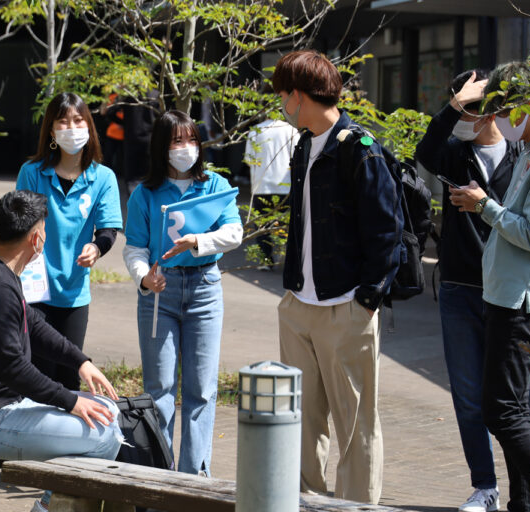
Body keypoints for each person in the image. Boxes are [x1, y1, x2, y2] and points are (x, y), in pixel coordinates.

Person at [272, 50, 403, 504]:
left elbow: (387, 230)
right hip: (299, 306)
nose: (282, 104)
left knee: (355, 426)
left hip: (345, 307)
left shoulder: (359, 149)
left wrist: (366, 299)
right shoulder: (305, 144)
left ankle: (355, 506)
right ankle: (306, 502)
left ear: (300, 95)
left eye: (284, 95)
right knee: (300, 423)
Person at [0, 190, 121, 512]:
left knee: (111, 413)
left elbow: (33, 326)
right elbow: (12, 367)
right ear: (37, 239)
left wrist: (80, 362)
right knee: (105, 435)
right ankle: (48, 508)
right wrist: (70, 400)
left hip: (3, 409)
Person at [415, 69, 518, 512]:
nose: (465, 115)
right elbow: (424, 153)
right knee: (469, 394)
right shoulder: (454, 154)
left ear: (493, 108)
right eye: (460, 106)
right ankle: (485, 487)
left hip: (512, 292)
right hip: (459, 286)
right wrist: (453, 108)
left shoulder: (525, 157)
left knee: (521, 398)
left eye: (472, 106)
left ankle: (527, 487)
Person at [122, 110, 243, 476]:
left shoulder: (216, 185)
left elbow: (234, 233)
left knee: (201, 390)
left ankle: (194, 479)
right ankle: (159, 475)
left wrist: (199, 241)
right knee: (158, 390)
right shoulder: (144, 193)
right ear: (162, 147)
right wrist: (144, 278)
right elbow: (135, 248)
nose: (186, 148)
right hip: (160, 293)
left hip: (205, 287)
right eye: (177, 141)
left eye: (192, 140)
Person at [448, 60, 530, 512]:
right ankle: (523, 503)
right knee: (512, 410)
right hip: (503, 297)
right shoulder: (528, 152)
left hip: (520, 302)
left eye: (504, 106)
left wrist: (485, 206)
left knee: (501, 411)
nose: (498, 117)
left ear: (528, 105)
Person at [16, 92, 123, 392]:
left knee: (67, 377)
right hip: (35, 290)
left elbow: (108, 229)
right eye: (63, 122)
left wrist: (96, 247)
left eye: (78, 121)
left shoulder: (103, 178)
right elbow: (21, 223)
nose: (71, 128)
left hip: (74, 293)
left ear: (89, 127)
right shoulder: (32, 173)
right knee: (37, 375)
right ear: (51, 131)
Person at [244, 114, 300, 269]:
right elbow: (298, 158)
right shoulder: (291, 130)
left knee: (262, 226)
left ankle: (266, 260)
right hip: (286, 186)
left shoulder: (255, 131)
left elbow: (249, 160)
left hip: (261, 185)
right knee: (288, 225)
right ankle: (290, 262)